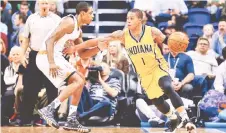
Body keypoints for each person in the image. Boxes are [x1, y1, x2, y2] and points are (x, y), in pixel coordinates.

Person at [64, 9, 196, 133]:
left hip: (157, 67)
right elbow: (96, 41)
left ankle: (185, 118)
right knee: (157, 101)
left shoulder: (152, 32)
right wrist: (75, 48)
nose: (128, 21)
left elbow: (169, 43)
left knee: (166, 86)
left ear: (140, 20)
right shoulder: (122, 36)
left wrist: (178, 44)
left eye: (131, 18)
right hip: (144, 74)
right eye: (127, 18)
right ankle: (173, 117)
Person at [36, 1, 94, 132]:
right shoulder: (69, 22)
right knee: (78, 80)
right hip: (46, 56)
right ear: (82, 13)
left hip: (55, 57)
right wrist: (51, 62)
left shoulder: (78, 30)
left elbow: (83, 53)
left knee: (80, 80)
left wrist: (100, 47)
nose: (93, 16)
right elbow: (49, 40)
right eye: (91, 13)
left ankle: (71, 119)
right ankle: (49, 109)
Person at [18, 0, 61, 126]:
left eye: (46, 3)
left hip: (50, 56)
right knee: (30, 88)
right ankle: (26, 119)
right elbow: (25, 39)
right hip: (34, 55)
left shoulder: (56, 19)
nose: (44, 6)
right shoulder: (31, 19)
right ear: (38, 5)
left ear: (50, 5)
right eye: (42, 3)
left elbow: (61, 38)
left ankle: (52, 119)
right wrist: (21, 55)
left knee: (52, 89)